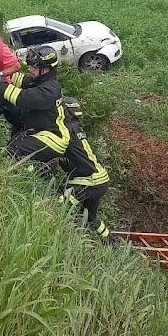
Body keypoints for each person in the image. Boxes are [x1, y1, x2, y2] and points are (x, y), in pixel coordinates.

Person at [0, 45, 70, 175]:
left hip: (53, 138)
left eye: (34, 67)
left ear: (45, 70)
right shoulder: (40, 81)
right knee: (17, 143)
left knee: (15, 148)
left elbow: (21, 97)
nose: (30, 69)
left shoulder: (49, 90)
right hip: (41, 132)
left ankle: (1, 177)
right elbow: (19, 79)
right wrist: (2, 70)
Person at [56, 96, 110, 238]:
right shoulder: (77, 127)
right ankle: (110, 243)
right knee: (91, 219)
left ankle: (63, 238)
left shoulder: (66, 129)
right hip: (100, 179)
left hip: (88, 180)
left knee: (59, 207)